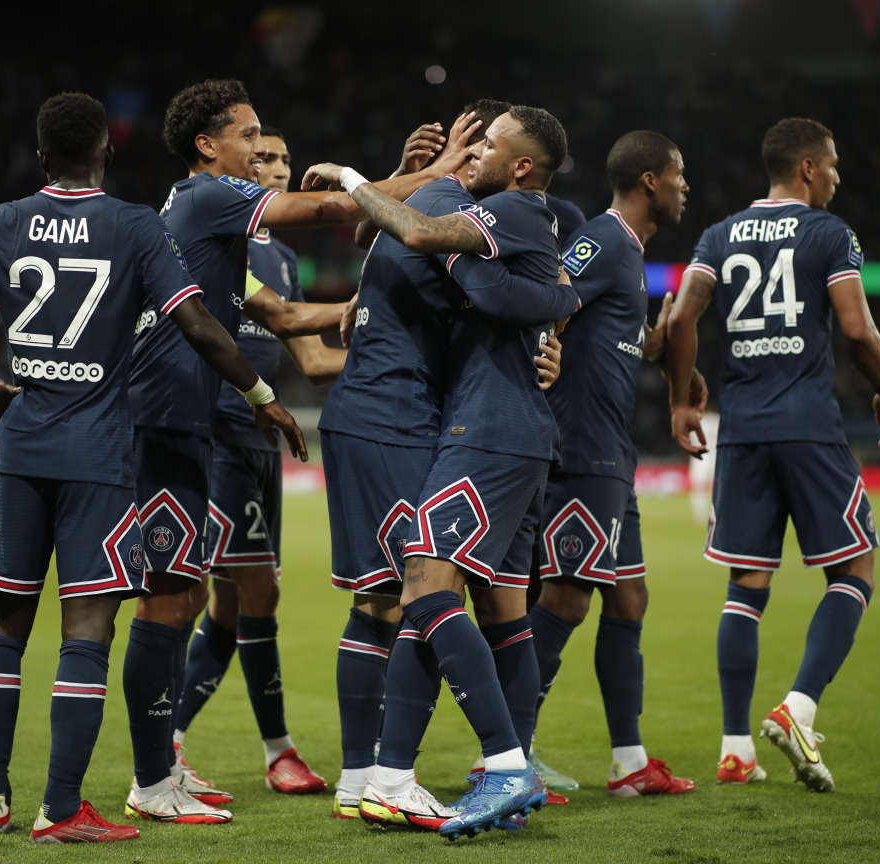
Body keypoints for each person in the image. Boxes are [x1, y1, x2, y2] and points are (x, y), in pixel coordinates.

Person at [0, 92, 304, 844]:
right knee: (85, 631)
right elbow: (198, 323)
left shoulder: (2, 220)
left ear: (43, 156)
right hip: (100, 454)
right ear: (106, 155)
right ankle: (62, 809)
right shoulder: (133, 226)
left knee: (4, 626)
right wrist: (260, 394)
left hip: (19, 449)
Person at [122, 78, 479, 825]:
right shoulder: (205, 197)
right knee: (167, 602)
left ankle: (166, 767)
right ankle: (155, 778)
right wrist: (444, 167)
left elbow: (292, 306)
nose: (262, 153)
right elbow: (337, 208)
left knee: (186, 597)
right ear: (208, 145)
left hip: (195, 419)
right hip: (172, 418)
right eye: (250, 137)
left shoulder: (219, 220)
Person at [306, 104, 581, 838]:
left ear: (517, 163)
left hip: (463, 428)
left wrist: (554, 307)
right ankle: (392, 775)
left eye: (491, 143)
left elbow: (417, 236)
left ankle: (481, 765)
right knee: (439, 598)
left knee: (422, 593)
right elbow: (423, 245)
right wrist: (554, 306)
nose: (479, 152)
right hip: (434, 422)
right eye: (476, 141)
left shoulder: (495, 211)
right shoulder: (458, 201)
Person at [665, 117, 880, 791]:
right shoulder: (831, 233)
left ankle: (736, 747)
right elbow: (855, 327)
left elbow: (681, 318)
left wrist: (682, 400)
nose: (836, 177)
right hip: (807, 424)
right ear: (805, 167)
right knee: (855, 569)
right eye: (831, 165)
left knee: (746, 586)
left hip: (741, 428)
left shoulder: (719, 234)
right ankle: (798, 707)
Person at [174, 126, 348, 796]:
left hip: (259, 437)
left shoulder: (279, 257)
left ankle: (193, 741)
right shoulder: (223, 241)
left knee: (229, 603)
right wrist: (381, 317)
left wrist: (385, 357)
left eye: (285, 158)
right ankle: (272, 750)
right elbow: (289, 316)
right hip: (218, 425)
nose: (276, 168)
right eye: (264, 158)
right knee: (236, 593)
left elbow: (309, 356)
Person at [528, 131, 698, 799]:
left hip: (609, 454)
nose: (687, 187)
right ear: (650, 180)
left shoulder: (632, 255)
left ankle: (629, 764)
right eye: (680, 175)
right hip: (579, 450)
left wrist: (671, 352)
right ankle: (509, 752)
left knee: (629, 597)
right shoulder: (602, 239)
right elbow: (550, 296)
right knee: (565, 600)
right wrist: (543, 355)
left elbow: (625, 338)